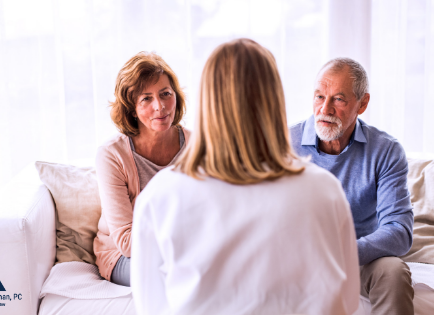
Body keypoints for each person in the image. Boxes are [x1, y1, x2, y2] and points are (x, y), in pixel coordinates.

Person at [130, 38, 360, 315]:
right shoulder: (324, 190)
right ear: (274, 100)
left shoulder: (160, 196)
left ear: (207, 104)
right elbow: (347, 301)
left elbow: (150, 306)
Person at [290, 58, 415, 315]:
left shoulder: (386, 151)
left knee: (393, 271)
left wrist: (343, 254)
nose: (325, 109)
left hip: (360, 257)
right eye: (319, 96)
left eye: (338, 99)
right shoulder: (283, 143)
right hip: (300, 257)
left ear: (363, 103)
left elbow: (399, 230)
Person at [93, 51, 190, 287]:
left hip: (187, 248)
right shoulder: (111, 155)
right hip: (124, 256)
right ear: (131, 108)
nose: (160, 106)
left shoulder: (197, 146)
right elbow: (126, 241)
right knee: (180, 279)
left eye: (166, 94)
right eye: (146, 99)